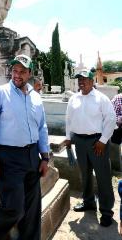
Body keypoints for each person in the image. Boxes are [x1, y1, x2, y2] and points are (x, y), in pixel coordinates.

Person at [0, 54, 49, 240]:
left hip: (32, 155)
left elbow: (42, 127)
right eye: (15, 71)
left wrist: (45, 157)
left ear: (30, 74)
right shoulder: (0, 93)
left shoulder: (36, 98)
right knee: (14, 208)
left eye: (22, 72)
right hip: (8, 157)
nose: (17, 75)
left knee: (33, 208)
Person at [65, 69, 116, 227]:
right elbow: (68, 119)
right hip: (79, 142)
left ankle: (106, 211)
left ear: (92, 81)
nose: (81, 81)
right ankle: (88, 202)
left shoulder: (101, 99)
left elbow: (111, 119)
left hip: (97, 142)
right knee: (84, 175)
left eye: (85, 78)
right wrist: (68, 138)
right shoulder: (74, 98)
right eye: (79, 79)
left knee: (103, 177)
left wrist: (103, 140)